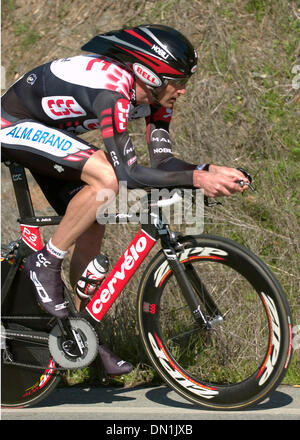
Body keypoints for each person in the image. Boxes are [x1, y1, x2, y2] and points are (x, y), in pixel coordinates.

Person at [0, 24, 249, 375]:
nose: (182, 91)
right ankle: (46, 263)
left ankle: (83, 334)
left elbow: (163, 162)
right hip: (12, 124)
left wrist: (208, 169)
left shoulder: (155, 99)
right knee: (106, 176)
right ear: (149, 73)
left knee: (94, 216)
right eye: (177, 81)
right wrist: (198, 179)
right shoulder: (113, 92)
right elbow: (127, 174)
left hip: (51, 132)